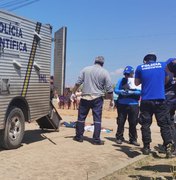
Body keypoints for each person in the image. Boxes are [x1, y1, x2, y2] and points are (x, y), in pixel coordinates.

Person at [134, 53, 174, 158]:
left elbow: (137, 83)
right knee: (164, 124)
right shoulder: (162, 65)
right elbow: (166, 80)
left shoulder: (140, 67)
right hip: (160, 99)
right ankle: (168, 148)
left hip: (146, 100)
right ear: (155, 60)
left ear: (145, 61)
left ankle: (146, 147)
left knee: (145, 124)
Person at [71, 56, 114, 145]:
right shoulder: (105, 72)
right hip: (97, 98)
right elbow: (109, 88)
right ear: (102, 63)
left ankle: (79, 137)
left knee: (81, 118)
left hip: (85, 97)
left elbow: (78, 82)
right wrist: (112, 99)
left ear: (94, 61)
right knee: (97, 119)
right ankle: (96, 140)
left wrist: (73, 92)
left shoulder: (85, 69)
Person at [114, 66, 141, 146]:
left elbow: (141, 91)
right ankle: (119, 137)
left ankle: (133, 139)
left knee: (133, 122)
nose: (127, 76)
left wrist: (133, 92)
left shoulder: (136, 81)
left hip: (134, 105)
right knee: (121, 121)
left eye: (129, 74)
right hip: (122, 104)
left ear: (132, 74)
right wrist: (121, 92)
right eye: (126, 74)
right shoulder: (121, 80)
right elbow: (116, 90)